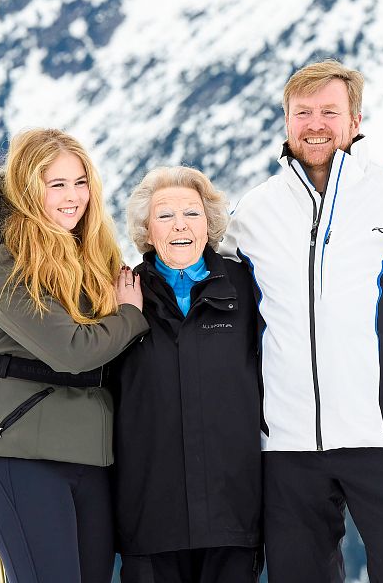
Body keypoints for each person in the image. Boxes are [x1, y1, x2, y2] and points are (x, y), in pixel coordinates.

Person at [221, 60, 383, 582]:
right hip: (287, 448)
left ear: (355, 119)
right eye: (302, 112)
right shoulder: (253, 215)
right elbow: (225, 322)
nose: (314, 124)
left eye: (328, 111)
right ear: (286, 120)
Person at [0, 128, 149, 583]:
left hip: (90, 452)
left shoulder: (94, 255)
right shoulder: (4, 260)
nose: (73, 197)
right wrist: (128, 316)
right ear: (28, 188)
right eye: (56, 184)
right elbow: (72, 351)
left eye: (80, 182)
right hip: (19, 448)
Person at [110, 166, 263, 583]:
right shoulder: (121, 293)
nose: (180, 225)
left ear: (209, 224)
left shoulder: (245, 288)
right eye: (165, 215)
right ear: (146, 229)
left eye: (192, 214)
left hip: (232, 512)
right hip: (150, 517)